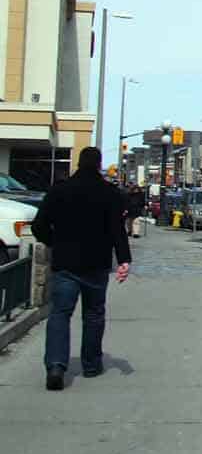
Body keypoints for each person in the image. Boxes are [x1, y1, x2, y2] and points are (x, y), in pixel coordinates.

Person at [32, 147, 132, 390]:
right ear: (99, 165)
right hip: (96, 263)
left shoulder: (59, 190)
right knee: (94, 314)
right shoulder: (110, 193)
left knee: (60, 314)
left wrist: (54, 242)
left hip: (65, 262)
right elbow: (117, 230)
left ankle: (56, 365)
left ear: (78, 163)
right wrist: (123, 260)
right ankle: (91, 364)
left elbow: (39, 226)